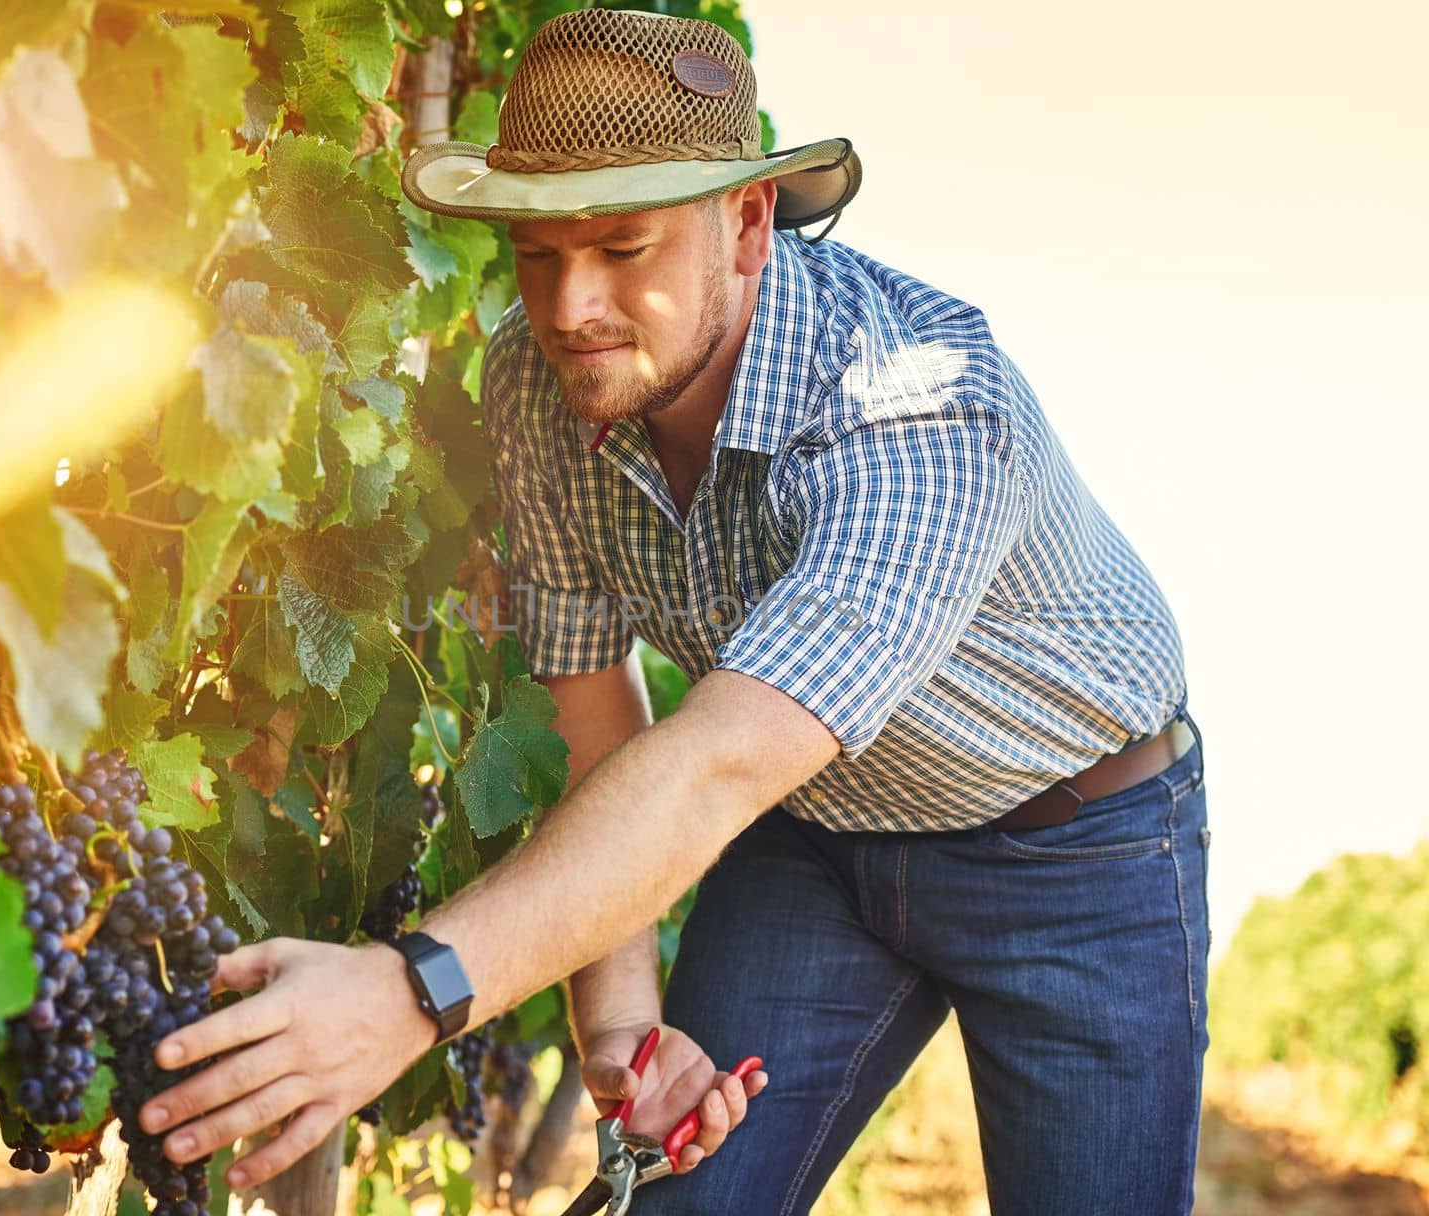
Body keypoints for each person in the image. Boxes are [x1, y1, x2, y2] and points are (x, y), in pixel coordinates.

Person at [142, 9, 1211, 1214]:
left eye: (619, 247)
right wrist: (620, 1030)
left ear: (746, 224)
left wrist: (410, 992)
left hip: (1071, 845)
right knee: (682, 1197)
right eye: (537, 254)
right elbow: (595, 710)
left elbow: (718, 762)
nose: (568, 307)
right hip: (811, 840)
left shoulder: (923, 406)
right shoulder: (534, 384)